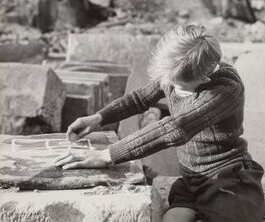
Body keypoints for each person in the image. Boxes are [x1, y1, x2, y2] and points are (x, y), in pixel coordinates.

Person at [54, 24, 264, 222]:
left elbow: (174, 128)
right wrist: (99, 118)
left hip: (227, 174)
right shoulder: (176, 74)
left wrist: (106, 156)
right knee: (173, 218)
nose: (171, 88)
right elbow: (139, 99)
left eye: (179, 86)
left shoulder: (225, 90)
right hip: (192, 178)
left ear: (205, 78)